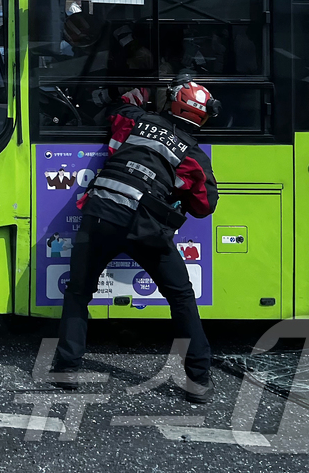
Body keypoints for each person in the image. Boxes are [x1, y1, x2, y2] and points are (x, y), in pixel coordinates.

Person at [51, 79, 220, 402]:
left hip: (99, 213)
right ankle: (198, 381)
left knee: (78, 292)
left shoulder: (138, 120)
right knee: (181, 298)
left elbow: (118, 109)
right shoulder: (193, 154)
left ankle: (65, 368)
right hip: (145, 227)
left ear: (171, 103)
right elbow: (204, 206)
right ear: (204, 117)